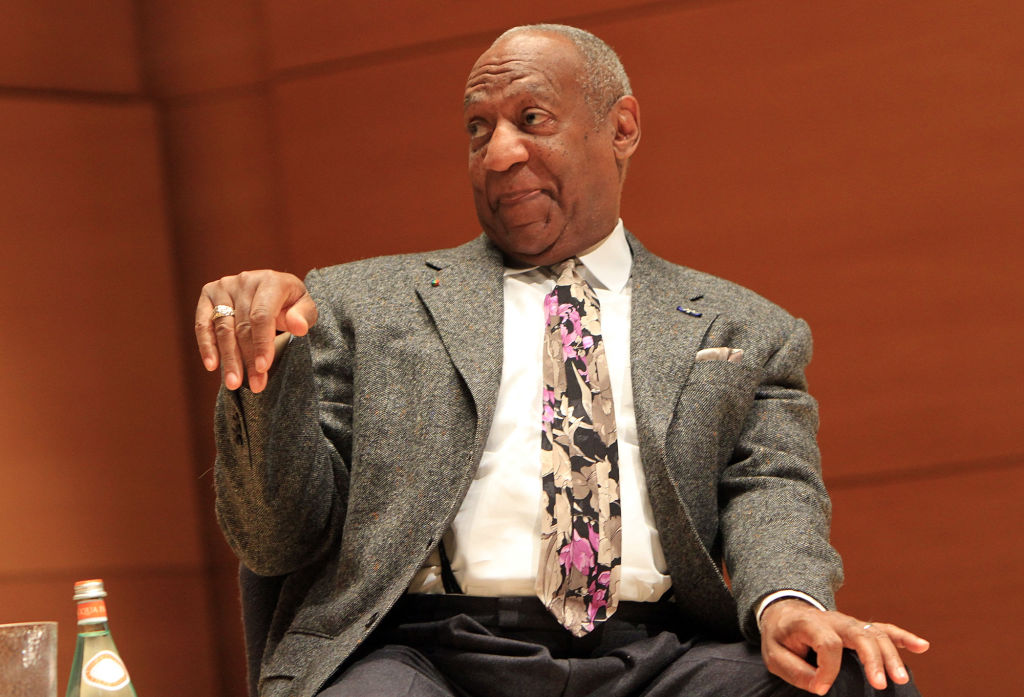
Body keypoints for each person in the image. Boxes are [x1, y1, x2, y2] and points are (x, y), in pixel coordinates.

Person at [195, 24, 929, 697]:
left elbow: (773, 491)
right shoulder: (360, 303)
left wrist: (788, 601)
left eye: (531, 120)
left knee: (857, 685)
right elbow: (274, 538)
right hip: (427, 652)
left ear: (622, 127)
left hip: (656, 655)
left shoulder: (745, 328)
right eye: (478, 129)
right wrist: (268, 373)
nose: (500, 151)